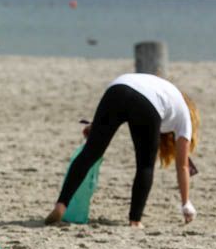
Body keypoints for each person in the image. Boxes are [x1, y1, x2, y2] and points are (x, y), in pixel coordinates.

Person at [45, 72, 200, 227]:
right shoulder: (184, 116)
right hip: (148, 103)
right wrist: (186, 203)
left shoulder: (167, 92)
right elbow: (183, 166)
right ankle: (135, 220)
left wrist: (95, 128)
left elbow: (130, 93)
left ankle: (61, 205)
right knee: (145, 165)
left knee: (91, 152)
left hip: (118, 88)